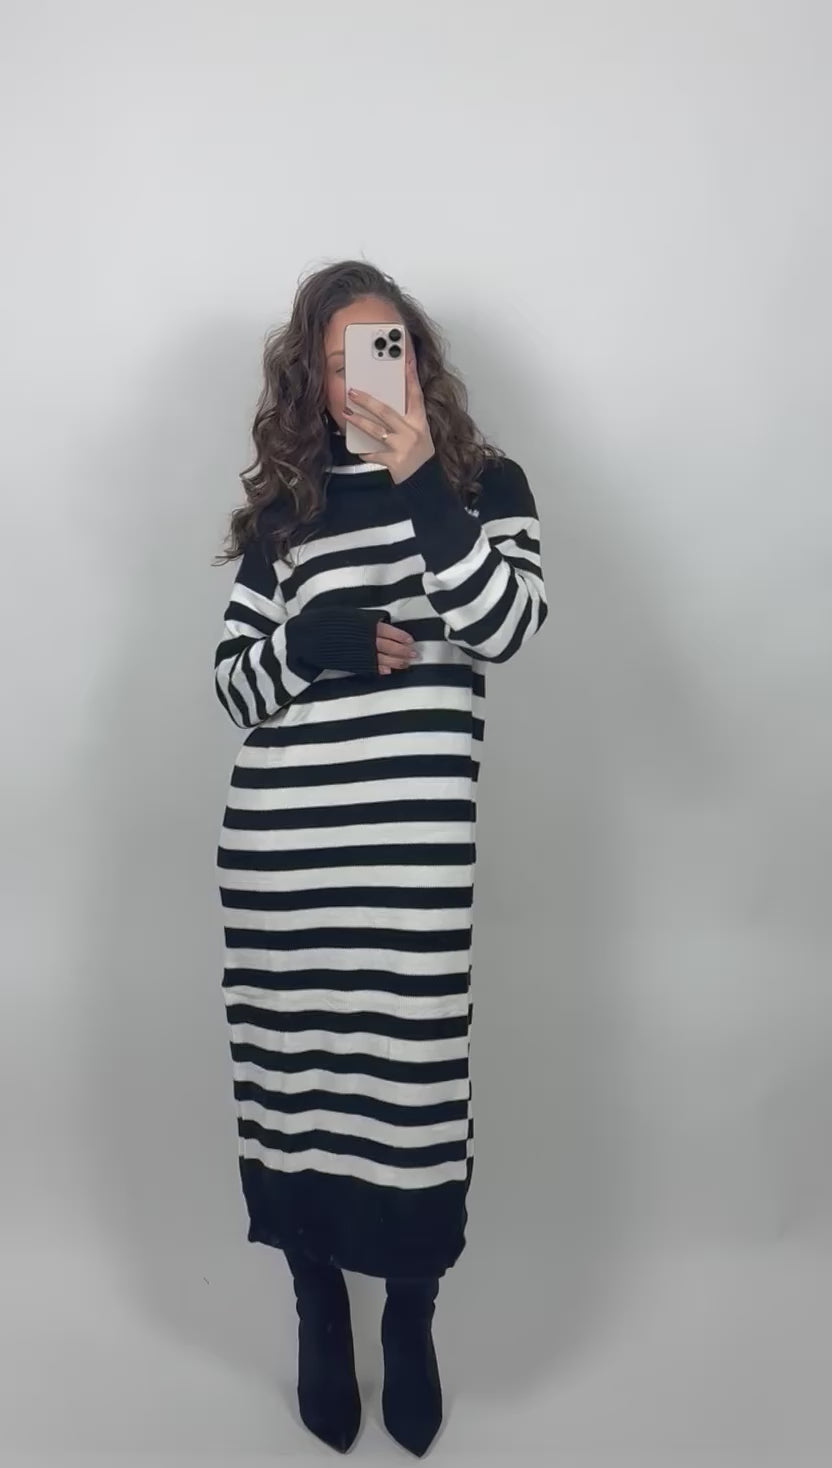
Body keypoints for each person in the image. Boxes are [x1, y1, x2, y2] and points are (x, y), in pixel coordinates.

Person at [214, 260, 547, 1456]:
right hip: (283, 858)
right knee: (296, 1082)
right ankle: (317, 1298)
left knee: (410, 1094)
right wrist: (310, 639)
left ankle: (409, 1311)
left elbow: (506, 625)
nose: (368, 373)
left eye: (387, 346)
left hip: (410, 863)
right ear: (312, 375)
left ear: (416, 357)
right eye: (342, 355)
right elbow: (233, 687)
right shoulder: (286, 516)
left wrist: (418, 481)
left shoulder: (480, 483)